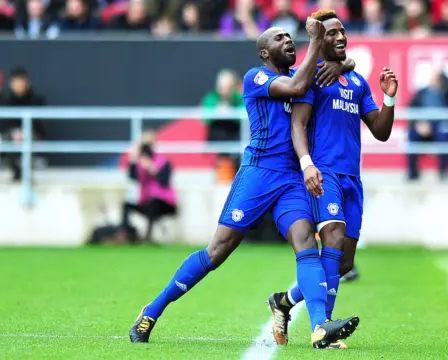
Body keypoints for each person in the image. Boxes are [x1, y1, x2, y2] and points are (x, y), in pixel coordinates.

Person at [129, 20, 360, 349]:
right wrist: (315, 42)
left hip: (292, 178)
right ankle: (152, 310)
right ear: (266, 52)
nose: (288, 41)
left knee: (306, 242)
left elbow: (320, 75)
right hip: (258, 173)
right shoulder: (257, 77)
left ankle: (319, 326)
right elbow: (295, 86)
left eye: (290, 37)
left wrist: (339, 60)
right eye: (280, 38)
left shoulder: (306, 79)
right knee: (218, 251)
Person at [267, 9, 398, 349]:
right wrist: (308, 163)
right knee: (334, 241)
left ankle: (284, 301)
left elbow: (381, 132)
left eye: (343, 32)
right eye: (332, 33)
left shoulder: (355, 81)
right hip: (325, 173)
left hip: (353, 177)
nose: (341, 37)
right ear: (318, 40)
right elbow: (297, 122)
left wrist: (389, 98)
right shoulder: (309, 78)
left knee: (345, 261)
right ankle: (323, 329)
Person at [120, 131, 177, 243]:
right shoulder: (140, 162)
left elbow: (164, 180)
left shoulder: (163, 161)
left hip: (165, 203)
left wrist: (151, 168)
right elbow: (132, 177)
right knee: (127, 205)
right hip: (146, 201)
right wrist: (133, 161)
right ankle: (126, 235)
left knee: (153, 203)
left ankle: (148, 237)